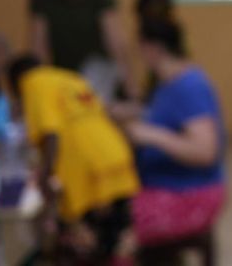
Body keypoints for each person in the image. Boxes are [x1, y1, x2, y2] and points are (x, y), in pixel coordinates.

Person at [8, 54, 139, 264]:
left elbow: (51, 133)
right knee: (117, 236)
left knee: (85, 241)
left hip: (86, 168)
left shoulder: (31, 83)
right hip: (115, 154)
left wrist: (44, 176)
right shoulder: (71, 78)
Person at [112, 19, 227, 253]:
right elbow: (166, 115)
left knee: (111, 233)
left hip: (190, 196)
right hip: (167, 187)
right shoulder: (168, 83)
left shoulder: (189, 86)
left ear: (152, 49)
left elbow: (205, 152)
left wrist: (153, 136)